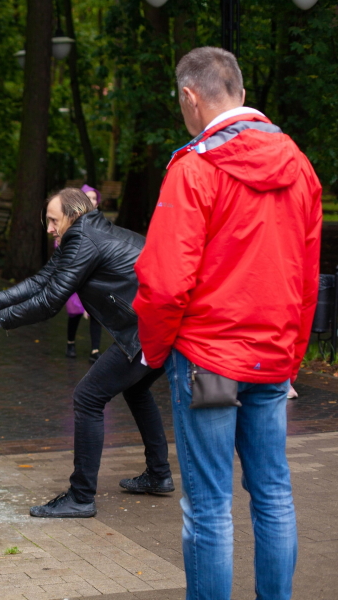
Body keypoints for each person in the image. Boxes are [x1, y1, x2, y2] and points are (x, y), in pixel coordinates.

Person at [133, 47, 321, 600]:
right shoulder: (299, 165)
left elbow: (165, 283)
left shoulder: (193, 170)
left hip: (207, 361)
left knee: (210, 506)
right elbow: (309, 280)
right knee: (273, 495)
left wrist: (155, 350)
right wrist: (292, 356)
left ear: (190, 97)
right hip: (272, 359)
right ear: (238, 90)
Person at [0, 188, 173, 518]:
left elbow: (47, 302)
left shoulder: (84, 239)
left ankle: (81, 497)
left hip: (149, 329)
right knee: (136, 388)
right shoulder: (86, 232)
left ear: (73, 214)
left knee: (88, 397)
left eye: (54, 220)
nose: (49, 228)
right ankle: (159, 474)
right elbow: (43, 279)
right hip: (161, 323)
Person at [64, 185, 103, 362]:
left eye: (94, 198)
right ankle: (70, 341)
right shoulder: (70, 223)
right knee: (75, 311)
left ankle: (95, 350)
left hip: (95, 276)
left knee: (96, 311)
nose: (92, 201)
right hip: (75, 277)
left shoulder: (101, 223)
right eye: (88, 198)